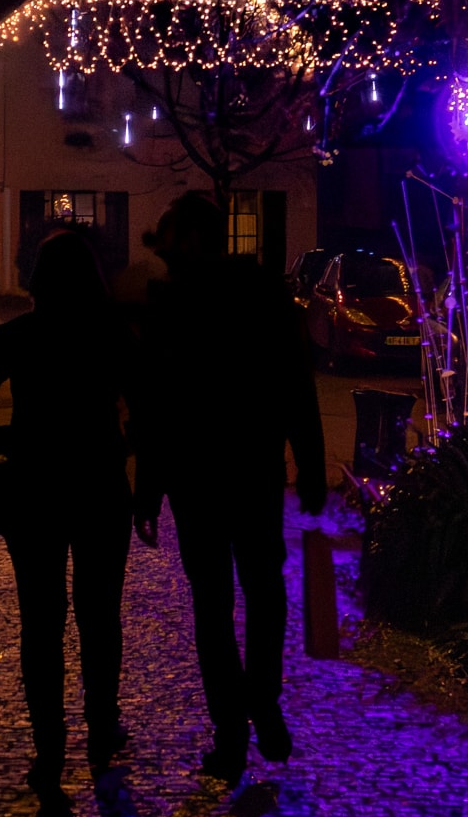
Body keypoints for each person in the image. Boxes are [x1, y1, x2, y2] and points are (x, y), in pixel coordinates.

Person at [131, 192, 326, 786]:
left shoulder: (173, 303)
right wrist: (310, 464)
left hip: (197, 477)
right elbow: (297, 382)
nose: (162, 254)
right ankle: (262, 702)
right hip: (254, 469)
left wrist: (148, 488)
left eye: (167, 240)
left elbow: (156, 403)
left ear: (190, 239)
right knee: (265, 593)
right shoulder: (267, 292)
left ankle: (232, 732)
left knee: (212, 606)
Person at [0, 227, 133, 808]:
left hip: (35, 486)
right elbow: (151, 406)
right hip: (100, 485)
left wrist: (1, 440)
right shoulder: (112, 337)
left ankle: (49, 748)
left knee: (42, 623)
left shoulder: (19, 337)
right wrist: (127, 454)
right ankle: (102, 733)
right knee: (100, 617)